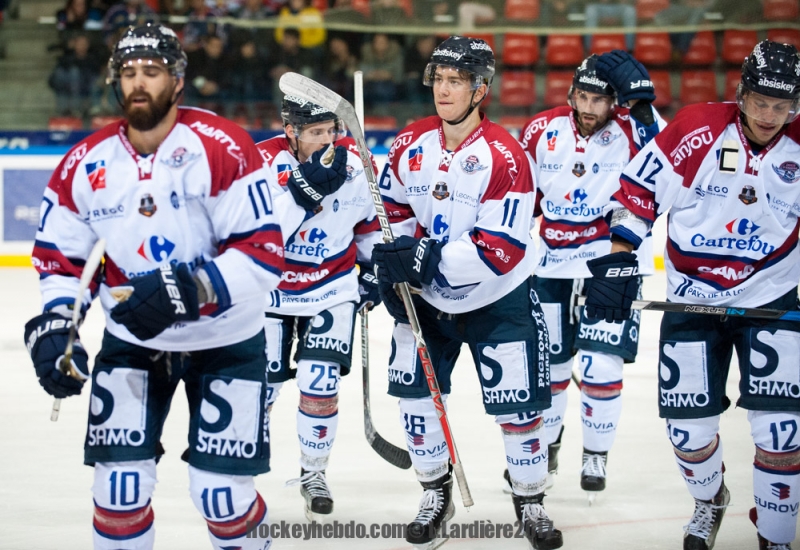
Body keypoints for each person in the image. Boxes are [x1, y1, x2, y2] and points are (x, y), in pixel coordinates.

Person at [24, 23, 284, 550]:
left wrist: (180, 290)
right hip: (134, 342)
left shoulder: (224, 147)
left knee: (222, 497)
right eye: (128, 72)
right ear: (114, 81)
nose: (139, 83)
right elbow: (61, 258)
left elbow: (263, 255)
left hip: (228, 343)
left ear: (178, 80)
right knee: (117, 494)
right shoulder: (86, 162)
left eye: (152, 71)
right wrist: (57, 324)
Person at [583, 40, 800, 550]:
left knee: (781, 430)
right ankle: (710, 500)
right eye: (761, 102)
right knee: (688, 431)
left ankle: (776, 535)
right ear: (742, 94)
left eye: (782, 105)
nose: (770, 115)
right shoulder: (697, 129)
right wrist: (617, 263)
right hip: (692, 297)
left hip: (772, 297)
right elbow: (638, 195)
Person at [372, 35, 563, 550]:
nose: (444, 89)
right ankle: (435, 491)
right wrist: (388, 265)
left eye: (457, 81)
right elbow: (389, 217)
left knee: (518, 408)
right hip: (426, 302)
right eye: (439, 79)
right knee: (414, 399)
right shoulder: (410, 143)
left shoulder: (508, 156)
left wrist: (423, 259)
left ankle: (530, 499)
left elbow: (499, 249)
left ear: (481, 89)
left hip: (497, 300)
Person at [516, 51, 665, 498]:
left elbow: (662, 153)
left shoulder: (631, 130)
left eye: (598, 99)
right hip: (550, 263)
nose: (587, 107)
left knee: (601, 363)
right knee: (553, 366)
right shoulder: (541, 129)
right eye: (581, 96)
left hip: (609, 258)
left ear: (614, 102)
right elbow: (524, 193)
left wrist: (642, 103)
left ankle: (596, 455)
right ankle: (548, 445)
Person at [256, 95, 382, 521]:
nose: (328, 141)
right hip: (271, 290)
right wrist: (305, 190)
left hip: (331, 285)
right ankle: (241, 468)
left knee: (320, 381)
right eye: (316, 133)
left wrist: (372, 271)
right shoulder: (260, 163)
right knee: (260, 386)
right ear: (291, 132)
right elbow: (261, 236)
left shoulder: (357, 164)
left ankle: (314, 473)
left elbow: (369, 226)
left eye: (332, 131)